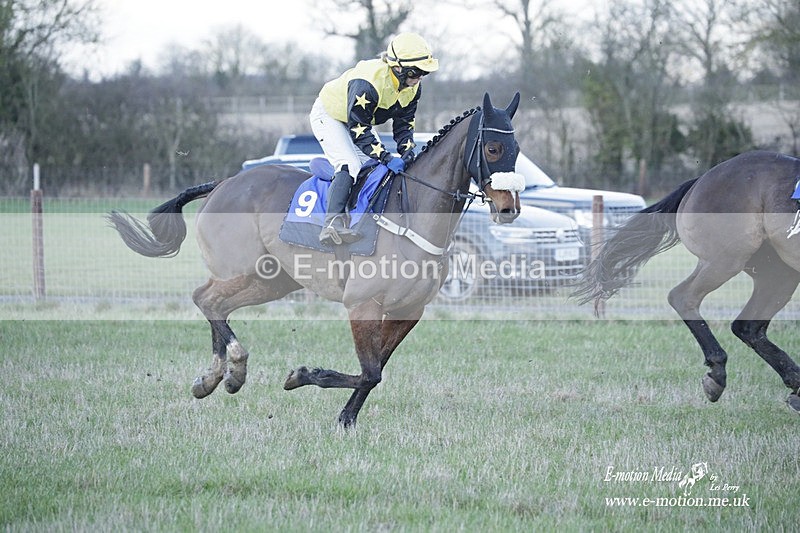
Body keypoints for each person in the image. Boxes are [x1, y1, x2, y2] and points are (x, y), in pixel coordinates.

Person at [309, 32, 439, 245]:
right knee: (349, 164)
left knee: (372, 168)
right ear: (398, 67)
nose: (419, 78)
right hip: (330, 115)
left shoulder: (413, 87)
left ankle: (360, 219)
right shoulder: (367, 84)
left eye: (424, 72)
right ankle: (331, 224)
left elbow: (404, 124)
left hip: (357, 121)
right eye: (416, 72)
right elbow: (359, 130)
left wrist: (408, 152)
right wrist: (388, 157)